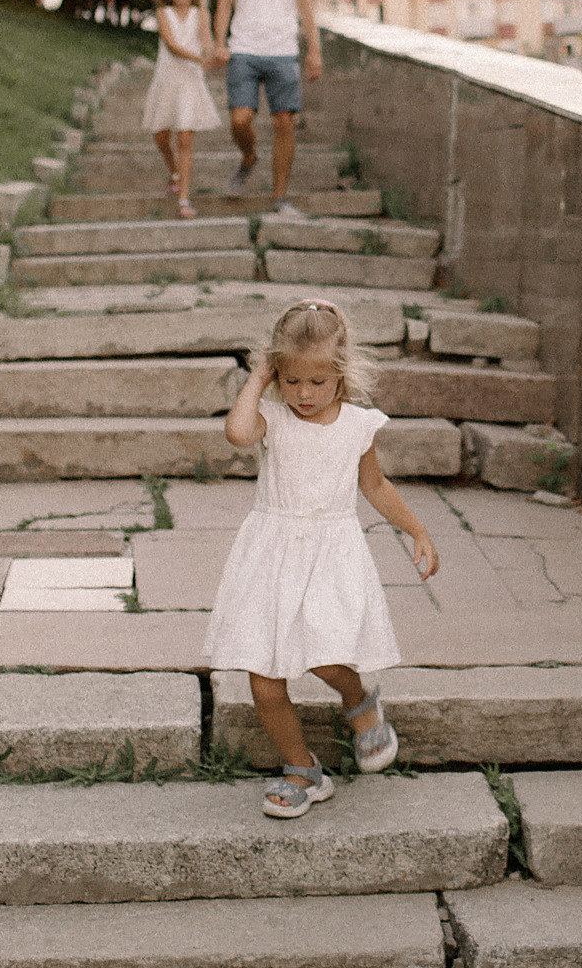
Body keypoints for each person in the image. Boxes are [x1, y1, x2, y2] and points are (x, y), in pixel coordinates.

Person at [203, 299, 439, 818]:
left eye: (317, 382)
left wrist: (417, 530)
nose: (304, 394)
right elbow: (237, 433)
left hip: (330, 556)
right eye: (291, 381)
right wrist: (259, 378)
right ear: (277, 374)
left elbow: (375, 486)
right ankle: (302, 770)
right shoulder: (270, 417)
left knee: (326, 656)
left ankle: (360, 703)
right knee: (264, 681)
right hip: (270, 557)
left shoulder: (356, 426)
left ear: (340, 374)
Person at [213, 0, 320, 217]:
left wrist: (314, 51)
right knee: (240, 119)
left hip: (283, 50)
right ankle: (249, 157)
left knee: (284, 122)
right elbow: (225, 2)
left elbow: (306, 6)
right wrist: (219, 43)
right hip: (244, 48)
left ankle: (279, 197)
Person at [139, 0, 222, 218]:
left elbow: (206, 41)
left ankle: (184, 199)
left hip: (189, 82)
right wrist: (200, 59)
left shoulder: (201, 14)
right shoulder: (163, 13)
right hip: (167, 79)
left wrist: (215, 53)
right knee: (161, 136)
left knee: (185, 137)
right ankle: (174, 171)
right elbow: (172, 45)